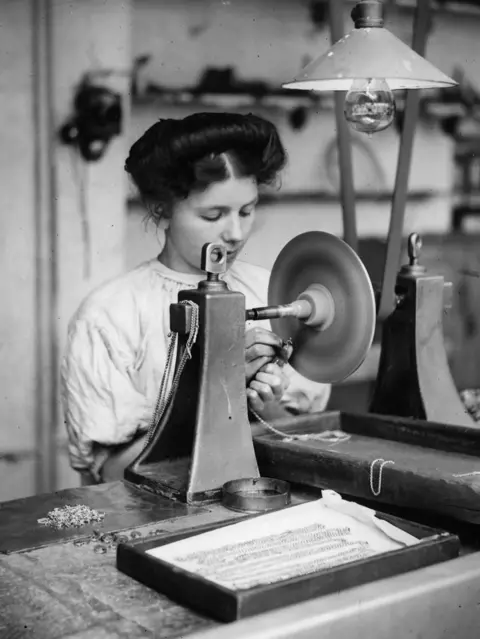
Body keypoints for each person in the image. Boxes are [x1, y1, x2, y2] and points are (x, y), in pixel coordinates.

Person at [61, 112, 331, 486]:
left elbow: (304, 442)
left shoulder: (275, 292)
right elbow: (112, 474)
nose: (235, 232)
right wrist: (216, 389)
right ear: (163, 208)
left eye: (247, 211)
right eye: (213, 215)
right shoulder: (110, 315)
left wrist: (263, 402)